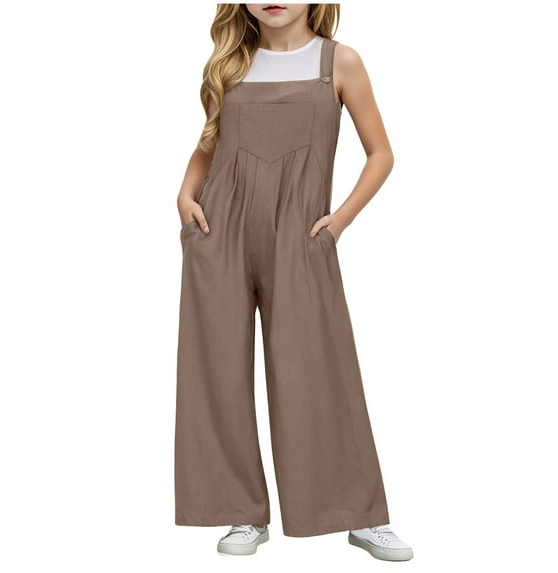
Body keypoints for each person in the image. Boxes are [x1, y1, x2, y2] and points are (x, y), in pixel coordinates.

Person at [174, 3, 413, 561]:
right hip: (219, 231)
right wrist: (184, 195)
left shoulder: (339, 62)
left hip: (300, 235)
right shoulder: (231, 63)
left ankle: (357, 513)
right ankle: (241, 512)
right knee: (216, 372)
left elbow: (381, 154)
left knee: (317, 368)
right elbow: (209, 144)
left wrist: (339, 222)